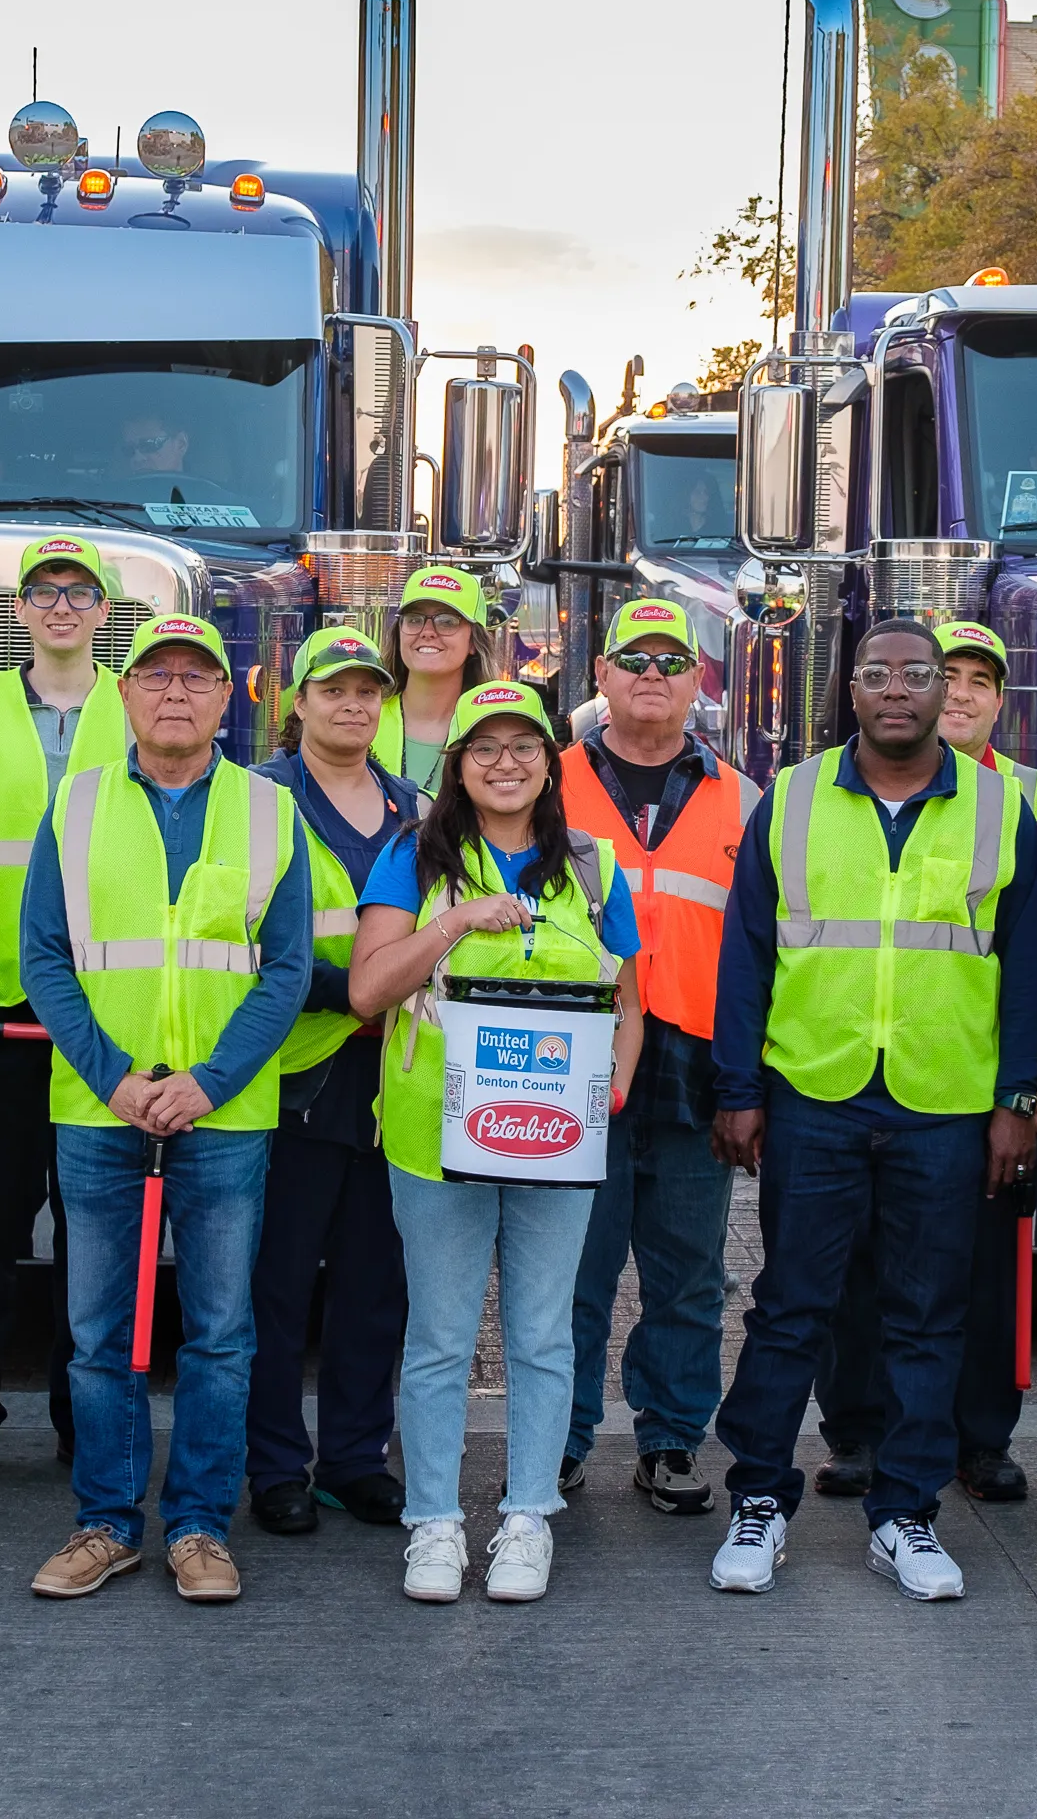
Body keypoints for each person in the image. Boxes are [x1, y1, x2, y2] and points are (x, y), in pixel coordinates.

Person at [708, 615, 1037, 1606]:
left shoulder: (998, 807)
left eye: (917, 673)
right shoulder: (793, 799)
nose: (897, 688)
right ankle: (759, 1499)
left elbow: (1027, 973)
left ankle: (904, 1513)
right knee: (790, 1309)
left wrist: (1017, 1101)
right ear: (850, 690)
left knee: (926, 1317)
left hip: (945, 1104)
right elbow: (747, 957)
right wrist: (739, 1088)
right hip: (813, 1091)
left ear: (946, 693)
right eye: (877, 673)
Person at [18, 613, 311, 1605]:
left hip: (222, 1120)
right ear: (126, 695)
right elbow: (45, 960)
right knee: (100, 1335)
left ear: (229, 701)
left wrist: (208, 1082)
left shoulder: (269, 811)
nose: (176, 692)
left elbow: (287, 971)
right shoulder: (79, 804)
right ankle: (106, 1523)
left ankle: (196, 1529)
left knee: (221, 1333)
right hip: (103, 1113)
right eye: (156, 677)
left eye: (198, 677)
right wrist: (117, 1080)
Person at [348, 679, 640, 1603]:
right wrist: (455, 922)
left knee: (544, 1337)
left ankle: (525, 1519)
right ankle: (433, 1521)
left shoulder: (592, 868)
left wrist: (614, 1087)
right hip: (434, 1143)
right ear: (458, 766)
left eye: (524, 746)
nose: (505, 763)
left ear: (551, 764)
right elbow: (367, 991)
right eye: (484, 748)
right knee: (437, 1338)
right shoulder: (412, 860)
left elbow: (628, 1004)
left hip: (554, 1146)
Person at [804, 618, 1037, 1506]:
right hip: (851, 1078)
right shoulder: (825, 791)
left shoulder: (1030, 801)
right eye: (946, 673)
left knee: (979, 1269)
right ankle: (858, 1432)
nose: (957, 692)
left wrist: (1023, 1074)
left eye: (974, 679)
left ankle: (979, 1440)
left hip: (970, 1084)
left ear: (998, 701)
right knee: (854, 1265)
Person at [0, 537, 124, 1492]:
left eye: (78, 592)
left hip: (98, 1016)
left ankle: (80, 1425)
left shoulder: (137, 708)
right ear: (18, 610)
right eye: (43, 592)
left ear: (102, 610)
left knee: (93, 1237)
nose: (59, 606)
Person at [559, 598, 756, 1517]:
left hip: (695, 1062)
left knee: (687, 1271)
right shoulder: (544, 779)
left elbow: (763, 949)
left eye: (671, 658)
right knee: (570, 1268)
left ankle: (672, 1441)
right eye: (631, 655)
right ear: (599, 676)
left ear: (697, 682)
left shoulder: (743, 797)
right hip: (570, 1056)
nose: (651, 671)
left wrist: (748, 1079)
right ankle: (554, 1443)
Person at [245, 625, 423, 1536]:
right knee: (276, 1285)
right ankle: (276, 1464)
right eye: (334, 689)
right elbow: (241, 938)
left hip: (394, 1075)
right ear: (298, 703)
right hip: (292, 1071)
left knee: (374, 1282)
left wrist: (382, 994)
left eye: (369, 692)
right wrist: (351, 992)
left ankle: (355, 1459)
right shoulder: (257, 802)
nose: (354, 705)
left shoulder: (418, 808)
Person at [390, 564, 494, 790]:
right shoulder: (362, 716)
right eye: (414, 619)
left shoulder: (496, 726)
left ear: (474, 642)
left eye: (447, 621)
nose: (427, 631)